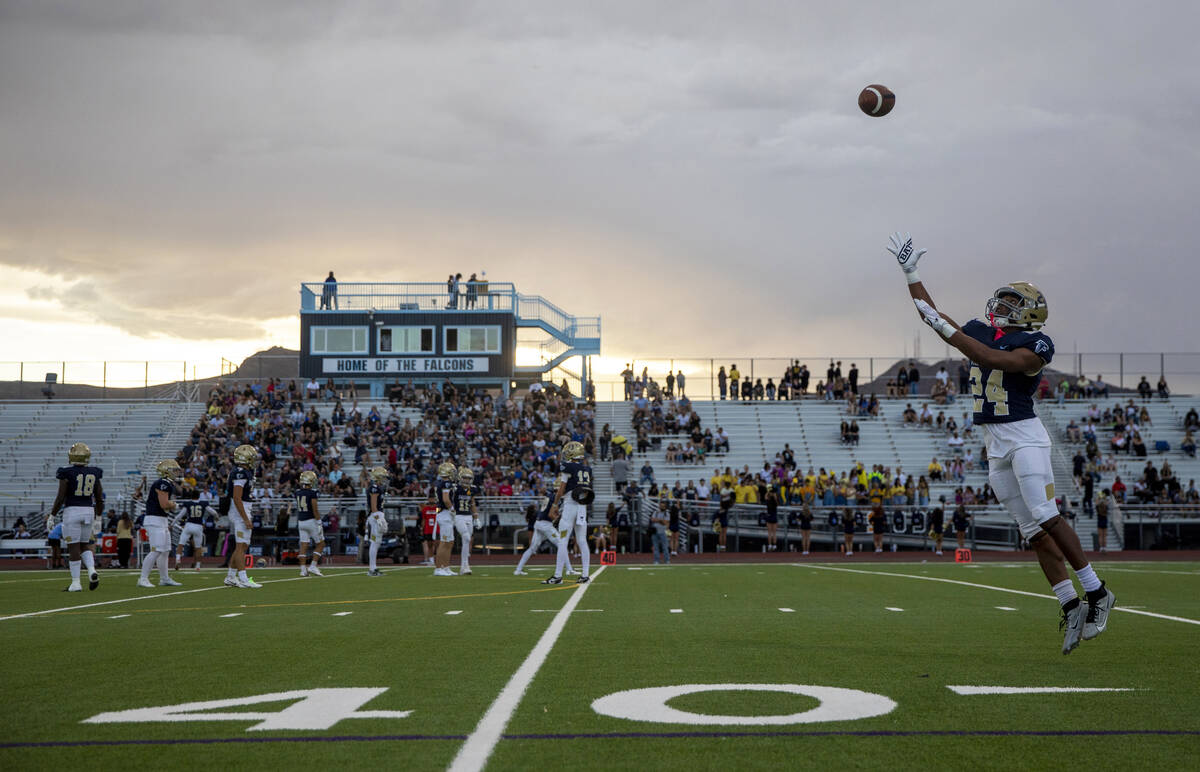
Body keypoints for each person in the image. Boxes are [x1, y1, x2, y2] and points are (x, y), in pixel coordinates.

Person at [892, 231, 1115, 653]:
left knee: (1047, 516)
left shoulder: (1036, 343)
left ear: (1029, 313)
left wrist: (945, 329)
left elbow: (994, 360)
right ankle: (1069, 603)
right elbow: (932, 315)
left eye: (1011, 303)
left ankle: (1098, 592)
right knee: (1031, 531)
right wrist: (911, 273)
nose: (1001, 306)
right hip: (994, 442)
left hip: (1025, 436)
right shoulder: (981, 329)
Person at [47, 443, 103, 592]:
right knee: (85, 544)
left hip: (72, 511)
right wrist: (98, 517)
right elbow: (99, 498)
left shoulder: (66, 472)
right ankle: (91, 570)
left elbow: (60, 497)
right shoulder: (94, 472)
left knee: (73, 548)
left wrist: (52, 515)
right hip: (89, 511)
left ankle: (76, 583)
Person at [544, 442, 593, 585]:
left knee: (563, 540)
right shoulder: (587, 469)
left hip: (570, 506)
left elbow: (562, 488)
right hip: (582, 507)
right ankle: (585, 575)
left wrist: (554, 504)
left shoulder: (568, 467)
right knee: (582, 541)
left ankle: (558, 576)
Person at [138, 460, 185, 589]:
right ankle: (143, 578)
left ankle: (164, 578)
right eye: (174, 470)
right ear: (166, 471)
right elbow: (164, 504)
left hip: (161, 519)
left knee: (165, 551)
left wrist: (171, 504)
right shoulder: (163, 483)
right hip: (154, 520)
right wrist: (174, 504)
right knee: (156, 550)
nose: (176, 472)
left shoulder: (167, 483)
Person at [222, 444, 262, 589]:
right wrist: (245, 518)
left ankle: (231, 577)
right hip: (239, 510)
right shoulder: (240, 473)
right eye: (251, 457)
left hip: (242, 509)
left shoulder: (245, 471)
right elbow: (237, 497)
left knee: (243, 545)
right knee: (240, 547)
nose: (254, 460)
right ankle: (244, 578)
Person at [515, 498, 573, 575]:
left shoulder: (549, 497)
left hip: (539, 523)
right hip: (546, 525)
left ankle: (518, 569)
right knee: (561, 544)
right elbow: (551, 514)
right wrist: (558, 519)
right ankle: (569, 569)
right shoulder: (555, 498)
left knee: (532, 548)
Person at [295, 470, 327, 577]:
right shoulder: (312, 493)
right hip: (311, 521)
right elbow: (315, 509)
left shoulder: (297, 492)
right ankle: (313, 566)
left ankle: (303, 570)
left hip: (301, 521)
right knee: (321, 544)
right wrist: (319, 521)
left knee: (304, 545)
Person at [433, 462, 458, 576]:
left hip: (444, 513)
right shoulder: (446, 483)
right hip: (445, 513)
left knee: (449, 542)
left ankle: (446, 567)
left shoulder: (441, 482)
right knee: (444, 542)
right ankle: (438, 568)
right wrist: (452, 509)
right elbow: (446, 499)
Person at [454, 468, 480, 576]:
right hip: (458, 515)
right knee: (466, 537)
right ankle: (464, 565)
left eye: (469, 478)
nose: (467, 480)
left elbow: (472, 503)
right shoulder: (455, 489)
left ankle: (464, 566)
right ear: (460, 478)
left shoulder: (472, 489)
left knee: (467, 541)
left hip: (468, 516)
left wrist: (476, 517)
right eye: (464, 478)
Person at [365, 466, 389, 577]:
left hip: (377, 515)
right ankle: (372, 569)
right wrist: (378, 518)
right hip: (375, 515)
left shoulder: (378, 487)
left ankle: (373, 567)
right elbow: (373, 506)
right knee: (374, 543)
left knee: (376, 543)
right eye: (383, 477)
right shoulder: (374, 488)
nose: (384, 479)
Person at [174, 500, 208, 571]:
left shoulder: (187, 508)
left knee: (181, 544)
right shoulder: (201, 508)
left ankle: (178, 560)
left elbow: (180, 517)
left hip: (188, 527)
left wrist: (172, 524)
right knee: (198, 548)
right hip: (197, 527)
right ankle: (197, 564)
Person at [418, 492, 438, 566]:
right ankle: (431, 559)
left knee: (437, 544)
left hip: (436, 529)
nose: (431, 500)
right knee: (429, 545)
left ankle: (438, 559)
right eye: (430, 498)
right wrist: (422, 528)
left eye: (433, 498)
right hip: (428, 529)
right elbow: (423, 519)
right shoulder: (425, 509)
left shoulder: (437, 508)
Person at [650, 499, 670, 564]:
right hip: (655, 531)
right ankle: (656, 560)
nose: (662, 507)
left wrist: (658, 520)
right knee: (655, 547)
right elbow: (652, 519)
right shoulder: (655, 512)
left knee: (665, 547)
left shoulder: (667, 513)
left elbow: (666, 522)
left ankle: (667, 560)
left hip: (663, 532)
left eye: (663, 506)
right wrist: (661, 520)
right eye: (661, 506)